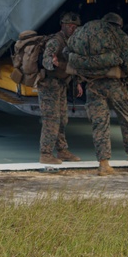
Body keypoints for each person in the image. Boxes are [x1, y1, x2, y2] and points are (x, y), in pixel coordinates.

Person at [68, 13, 128, 175]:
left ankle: (104, 164)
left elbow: (67, 50)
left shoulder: (85, 31)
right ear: (118, 24)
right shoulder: (118, 35)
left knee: (99, 123)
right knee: (126, 118)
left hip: (92, 85)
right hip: (113, 85)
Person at [37, 12, 82, 164]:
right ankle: (45, 153)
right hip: (49, 85)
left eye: (75, 26)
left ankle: (62, 150)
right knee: (51, 119)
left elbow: (73, 65)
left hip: (61, 84)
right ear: (63, 26)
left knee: (62, 119)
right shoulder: (55, 41)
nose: (73, 29)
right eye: (70, 26)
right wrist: (53, 62)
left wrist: (78, 83)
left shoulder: (72, 42)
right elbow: (46, 61)